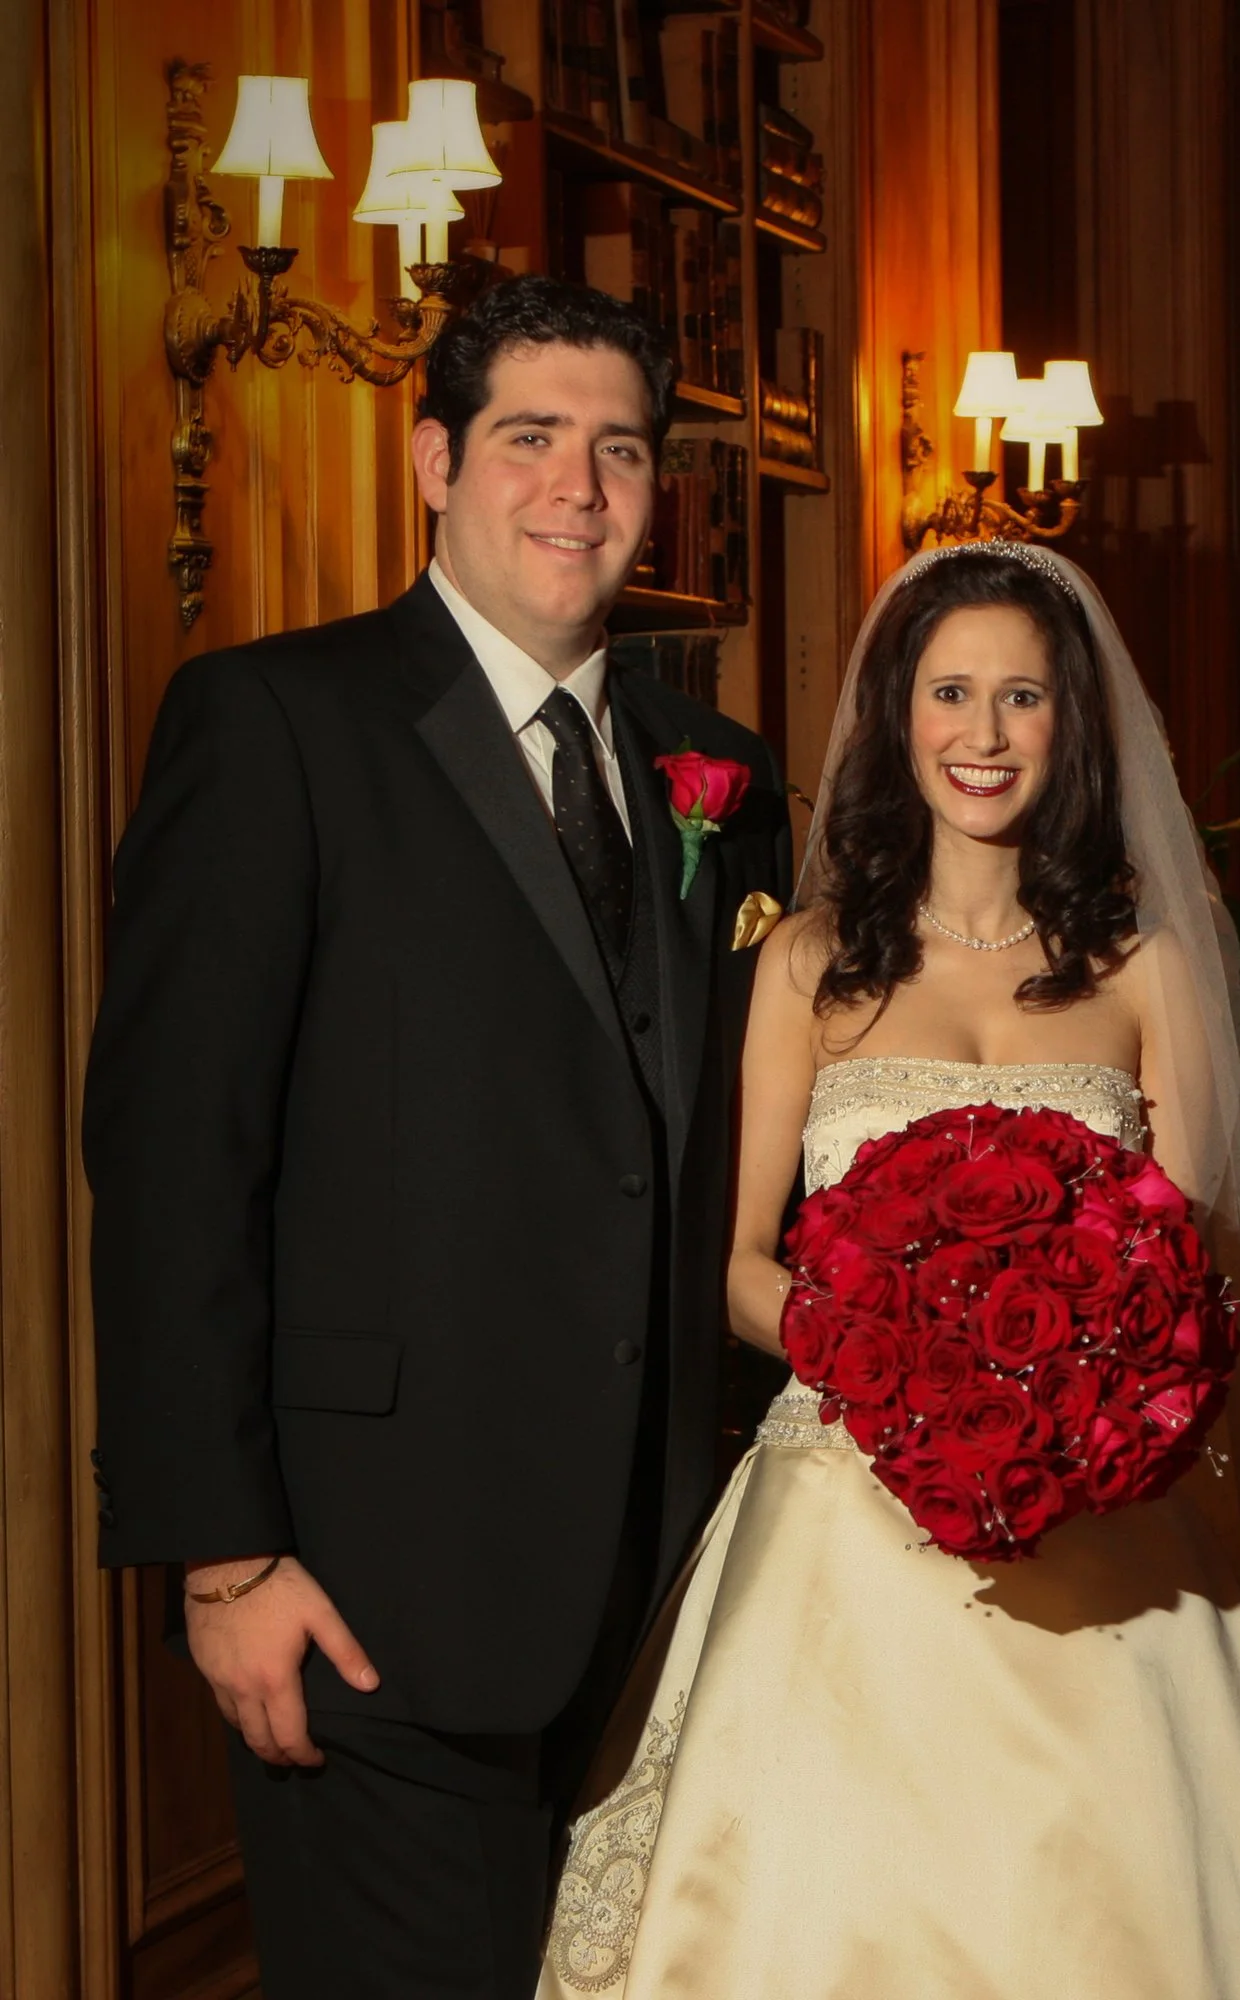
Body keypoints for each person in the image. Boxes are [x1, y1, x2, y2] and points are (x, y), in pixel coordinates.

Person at [84, 275, 790, 1996]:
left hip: (665, 1593)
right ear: (433, 462)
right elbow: (173, 1164)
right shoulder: (274, 724)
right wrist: (223, 1558)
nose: (578, 488)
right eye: (530, 437)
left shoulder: (719, 769)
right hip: (368, 1585)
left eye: (620, 449)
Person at [537, 542, 1240, 1998]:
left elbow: (1197, 1273)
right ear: (899, 714)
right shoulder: (810, 964)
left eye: (1022, 696)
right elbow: (737, 1263)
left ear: (1070, 722)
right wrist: (892, 1362)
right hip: (847, 1509)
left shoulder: (1148, 963)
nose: (985, 733)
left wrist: (1079, 1398)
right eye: (952, 692)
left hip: (1101, 1529)